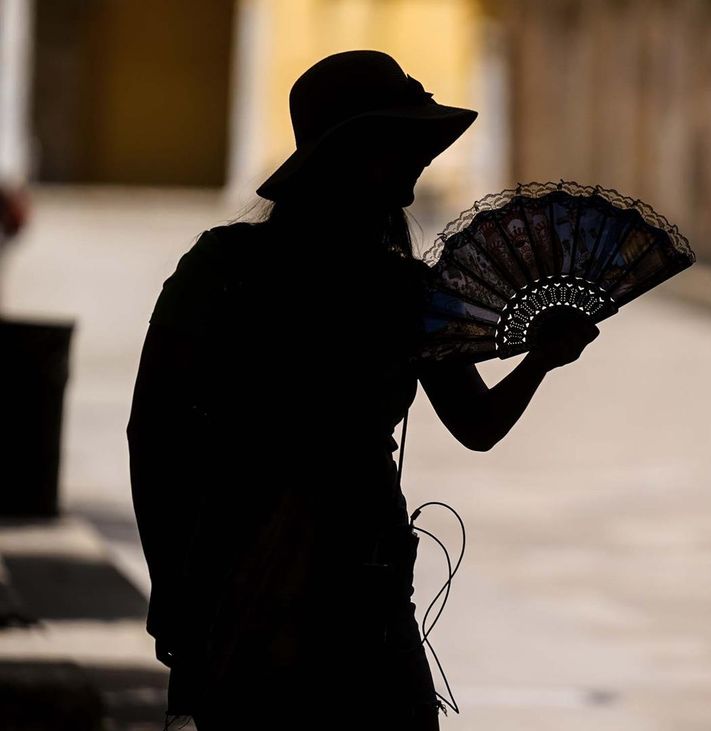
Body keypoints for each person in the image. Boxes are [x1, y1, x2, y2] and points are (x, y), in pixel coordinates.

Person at [127, 50, 598, 729]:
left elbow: (153, 436)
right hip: (290, 580)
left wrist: (543, 359)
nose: (417, 172)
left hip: (330, 583)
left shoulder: (241, 270)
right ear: (358, 155)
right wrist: (175, 588)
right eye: (404, 149)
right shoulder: (367, 286)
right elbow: (478, 423)